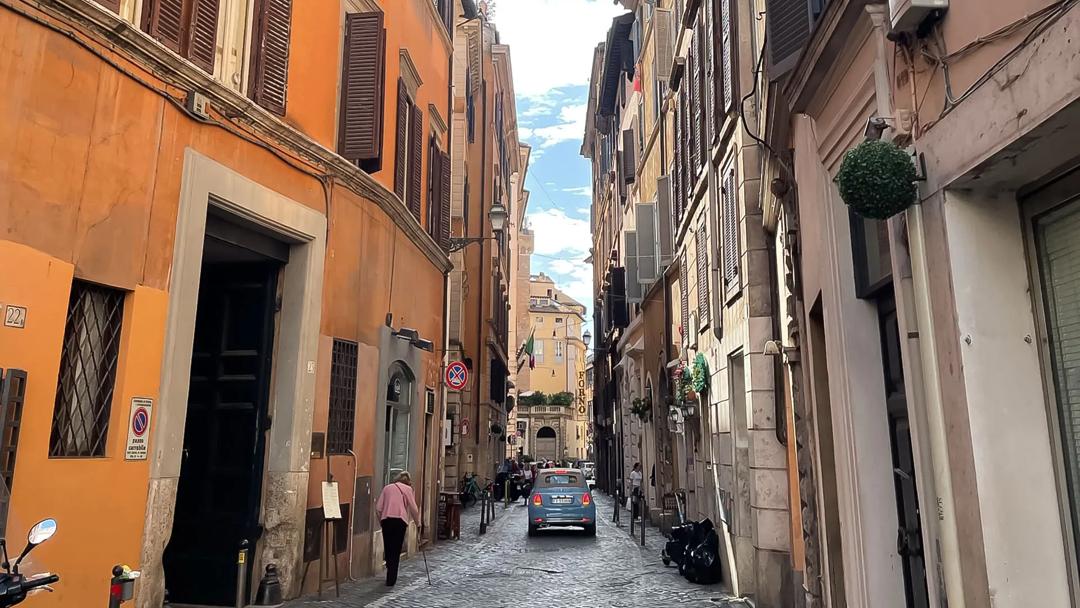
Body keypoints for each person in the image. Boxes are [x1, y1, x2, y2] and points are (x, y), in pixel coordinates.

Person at [375, 471, 421, 586]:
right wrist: (418, 523)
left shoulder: (387, 488)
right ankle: (391, 578)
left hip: (386, 520)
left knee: (388, 547)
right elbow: (414, 508)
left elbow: (378, 508)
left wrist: (381, 521)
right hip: (400, 521)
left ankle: (389, 569)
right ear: (408, 482)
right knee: (396, 549)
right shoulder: (408, 489)